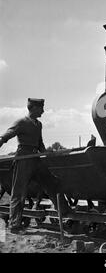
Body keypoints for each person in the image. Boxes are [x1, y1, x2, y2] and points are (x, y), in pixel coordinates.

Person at [0, 98, 72, 233]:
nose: (43, 111)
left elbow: (40, 143)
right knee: (19, 192)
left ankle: (65, 211)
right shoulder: (21, 122)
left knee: (52, 182)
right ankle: (15, 225)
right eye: (41, 109)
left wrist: (46, 153)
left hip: (36, 159)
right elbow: (5, 136)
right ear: (32, 108)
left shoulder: (38, 125)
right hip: (23, 158)